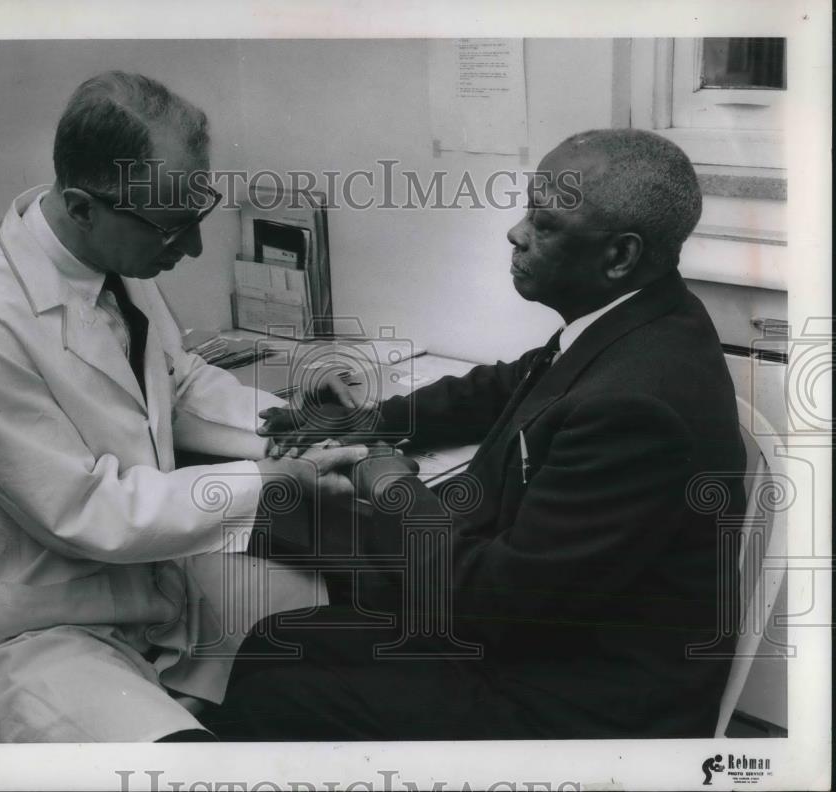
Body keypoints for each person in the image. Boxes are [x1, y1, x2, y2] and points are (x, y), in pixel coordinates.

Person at [216, 128, 747, 740]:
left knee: (283, 688)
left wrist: (388, 478)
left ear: (620, 256)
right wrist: (367, 421)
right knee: (275, 638)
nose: (516, 233)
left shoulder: (636, 405)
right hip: (539, 630)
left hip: (581, 703)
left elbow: (487, 606)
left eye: (544, 223)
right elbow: (502, 386)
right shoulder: (645, 315)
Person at [0, 71, 367, 743]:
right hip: (14, 621)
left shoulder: (113, 266)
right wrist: (269, 480)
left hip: (138, 584)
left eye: (196, 217)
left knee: (343, 632)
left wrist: (282, 428)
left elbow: (180, 381)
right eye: (172, 228)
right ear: (82, 207)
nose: (193, 247)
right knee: (177, 762)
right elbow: (85, 509)